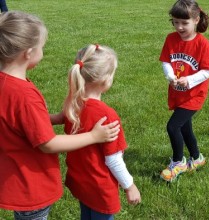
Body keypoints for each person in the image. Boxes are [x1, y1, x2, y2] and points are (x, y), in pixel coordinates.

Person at [0, 11, 120, 220]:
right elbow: (48, 143)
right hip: (31, 184)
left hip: (14, 178)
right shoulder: (23, 95)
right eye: (42, 47)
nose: (43, 52)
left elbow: (17, 120)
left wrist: (55, 118)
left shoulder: (6, 84)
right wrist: (94, 136)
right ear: (28, 53)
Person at [63, 44, 141, 220]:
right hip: (100, 187)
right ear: (105, 80)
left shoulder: (74, 103)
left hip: (81, 182)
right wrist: (129, 186)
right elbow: (113, 159)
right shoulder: (106, 115)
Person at [159, 0, 209, 182]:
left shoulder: (202, 44)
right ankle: (197, 158)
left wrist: (190, 80)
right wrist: (170, 76)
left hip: (194, 95)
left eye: (184, 23)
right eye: (176, 22)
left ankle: (178, 162)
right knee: (184, 127)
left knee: (173, 126)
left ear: (196, 20)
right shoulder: (171, 39)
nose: (180, 27)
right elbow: (166, 61)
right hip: (177, 92)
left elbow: (208, 70)